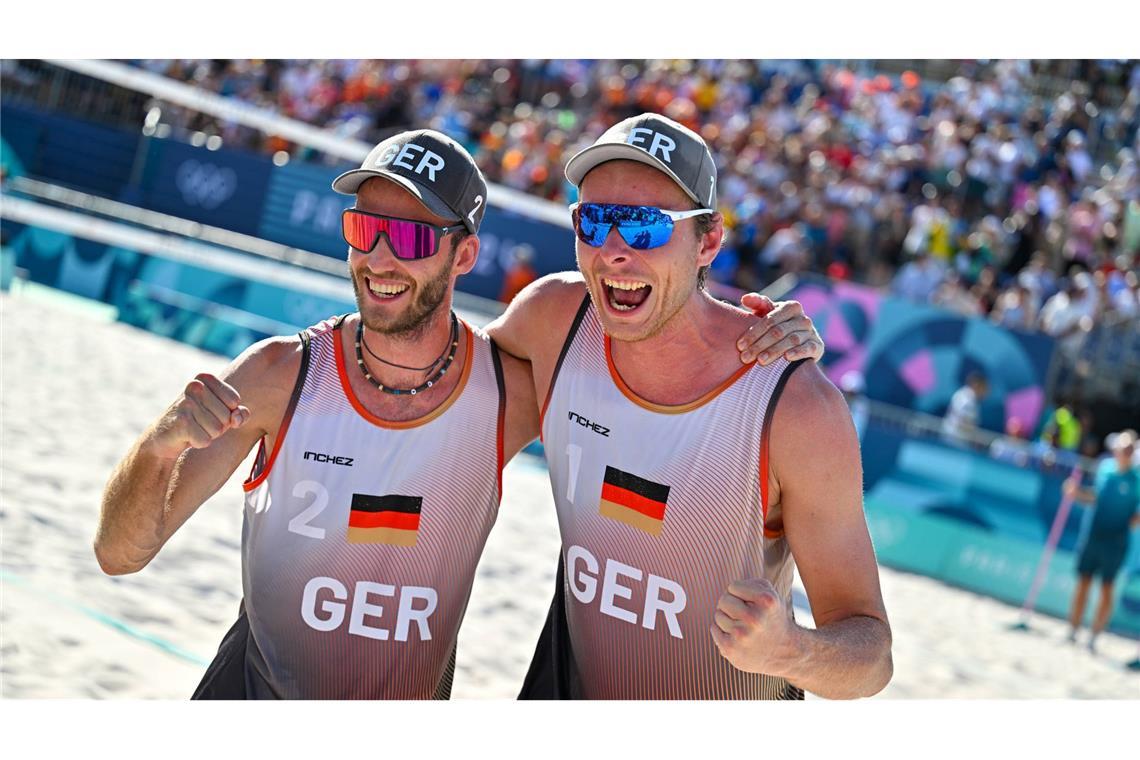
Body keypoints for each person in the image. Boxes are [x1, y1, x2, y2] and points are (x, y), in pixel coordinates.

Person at [95, 127, 825, 699]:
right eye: (364, 230)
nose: (380, 258)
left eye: (410, 237)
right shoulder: (280, 375)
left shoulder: (510, 391)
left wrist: (757, 340)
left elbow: (664, 379)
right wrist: (157, 448)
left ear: (465, 253)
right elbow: (119, 554)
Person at [503, 113, 892, 699]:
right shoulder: (554, 320)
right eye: (594, 221)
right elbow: (437, 405)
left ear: (708, 242)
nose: (612, 251)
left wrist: (792, 650)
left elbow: (871, 655)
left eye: (644, 228)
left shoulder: (793, 406)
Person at [1064, 429, 1140, 653]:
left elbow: (1136, 518)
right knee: (1083, 583)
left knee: (1106, 588)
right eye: (1122, 448)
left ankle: (1094, 636)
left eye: (1129, 449)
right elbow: (1094, 497)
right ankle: (1073, 630)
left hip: (1115, 541)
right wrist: (1076, 493)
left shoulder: (1136, 480)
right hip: (1093, 535)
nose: (1124, 453)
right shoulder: (1104, 468)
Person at [941, 372, 989, 442]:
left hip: (957, 439)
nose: (986, 391)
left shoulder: (969, 397)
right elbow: (964, 422)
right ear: (977, 385)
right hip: (954, 440)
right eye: (984, 387)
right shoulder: (966, 399)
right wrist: (978, 437)